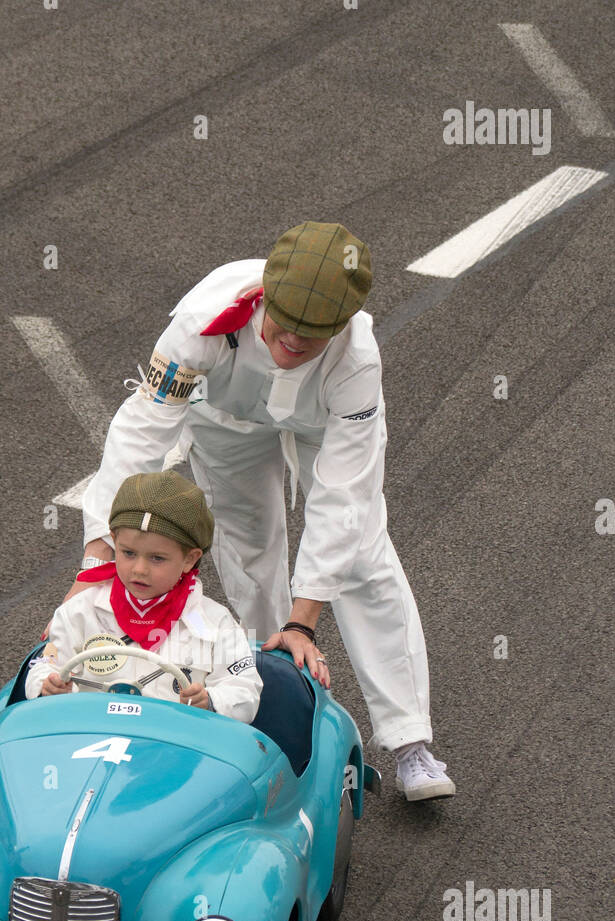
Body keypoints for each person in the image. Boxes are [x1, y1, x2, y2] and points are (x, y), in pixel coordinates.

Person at [71, 221, 455, 801]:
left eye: (315, 334)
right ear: (264, 296)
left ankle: (410, 744)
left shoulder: (357, 362)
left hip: (318, 423)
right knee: (248, 549)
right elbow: (138, 437)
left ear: (343, 325)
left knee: (363, 559)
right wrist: (96, 565)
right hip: (224, 422)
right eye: (286, 324)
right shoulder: (202, 323)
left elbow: (343, 500)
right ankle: (274, 703)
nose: (296, 342)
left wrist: (305, 621)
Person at [27, 470, 262, 723]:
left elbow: (245, 690)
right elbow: (44, 663)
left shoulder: (216, 623)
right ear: (114, 541)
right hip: (90, 737)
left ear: (189, 559)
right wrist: (49, 685)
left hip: (177, 747)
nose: (139, 569)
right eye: (128, 553)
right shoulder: (80, 611)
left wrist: (212, 700)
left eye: (157, 558)